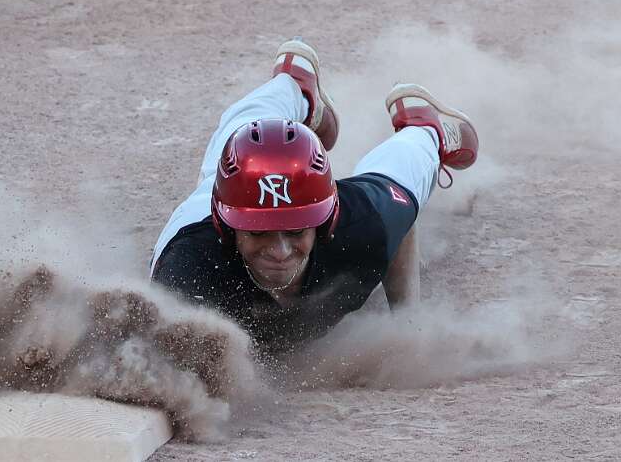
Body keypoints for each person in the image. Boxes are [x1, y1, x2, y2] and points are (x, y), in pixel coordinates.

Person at [148, 40, 479, 357]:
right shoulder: (188, 270)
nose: (280, 251)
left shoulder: (360, 225)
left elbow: (402, 211)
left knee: (409, 162)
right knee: (242, 140)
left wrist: (408, 325)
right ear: (226, 224)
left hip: (257, 205)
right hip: (219, 208)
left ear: (326, 222)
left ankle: (426, 127)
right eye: (258, 231)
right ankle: (295, 86)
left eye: (295, 231)